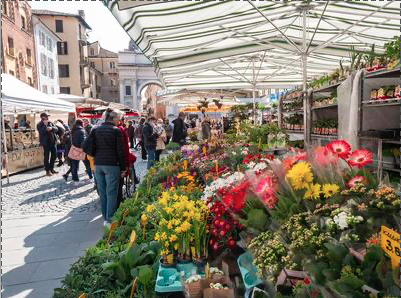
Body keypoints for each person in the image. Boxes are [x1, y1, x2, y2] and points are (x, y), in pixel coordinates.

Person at [91, 108, 126, 226]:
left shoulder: (96, 129)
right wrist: (123, 168)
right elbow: (120, 151)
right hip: (111, 165)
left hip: (98, 165)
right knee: (111, 192)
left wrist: (96, 154)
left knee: (103, 192)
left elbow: (86, 146)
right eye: (119, 119)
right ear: (114, 118)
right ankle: (110, 220)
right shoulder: (116, 131)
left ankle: (105, 218)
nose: (120, 121)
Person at [37, 112, 59, 176]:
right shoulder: (39, 124)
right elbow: (41, 132)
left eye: (48, 117)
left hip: (52, 142)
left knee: (54, 155)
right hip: (46, 143)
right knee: (46, 157)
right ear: (42, 117)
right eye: (46, 116)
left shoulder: (50, 123)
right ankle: (47, 171)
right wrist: (45, 126)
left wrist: (51, 128)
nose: (48, 118)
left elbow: (56, 129)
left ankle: (51, 168)